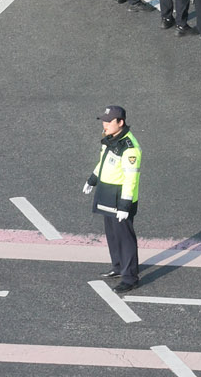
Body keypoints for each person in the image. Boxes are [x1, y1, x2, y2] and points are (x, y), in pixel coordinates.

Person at [85, 104, 142, 292]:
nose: (105, 124)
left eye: (109, 121)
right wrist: (93, 180)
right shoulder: (111, 139)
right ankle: (118, 267)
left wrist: (125, 205)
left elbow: (131, 178)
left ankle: (130, 277)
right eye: (104, 120)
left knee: (125, 238)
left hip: (119, 198)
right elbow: (103, 163)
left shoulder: (129, 148)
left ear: (121, 122)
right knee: (112, 235)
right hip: (107, 193)